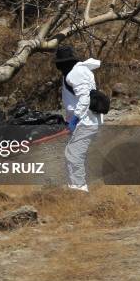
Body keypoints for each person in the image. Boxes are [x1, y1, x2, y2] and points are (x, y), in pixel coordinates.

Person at [54, 46, 103, 192]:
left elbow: (85, 98)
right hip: (88, 120)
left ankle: (79, 190)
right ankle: (76, 187)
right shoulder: (81, 70)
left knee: (73, 155)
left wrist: (75, 119)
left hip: (85, 121)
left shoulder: (74, 74)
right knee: (74, 154)